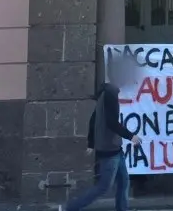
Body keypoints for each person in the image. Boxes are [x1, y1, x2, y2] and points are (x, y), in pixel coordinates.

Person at [60, 80, 140, 211]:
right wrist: (131, 136)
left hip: (115, 150)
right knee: (103, 187)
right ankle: (71, 207)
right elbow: (112, 122)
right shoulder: (110, 95)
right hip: (110, 151)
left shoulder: (105, 93)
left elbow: (93, 119)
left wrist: (91, 144)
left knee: (124, 182)